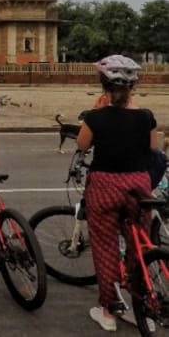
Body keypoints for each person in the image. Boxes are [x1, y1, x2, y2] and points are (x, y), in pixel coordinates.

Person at [77, 55, 157, 332]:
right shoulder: (146, 117)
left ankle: (109, 311)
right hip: (138, 185)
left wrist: (96, 113)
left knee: (105, 247)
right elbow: (150, 150)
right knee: (139, 247)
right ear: (133, 87)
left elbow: (82, 144)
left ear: (104, 85)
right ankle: (141, 310)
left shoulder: (95, 117)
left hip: (105, 186)